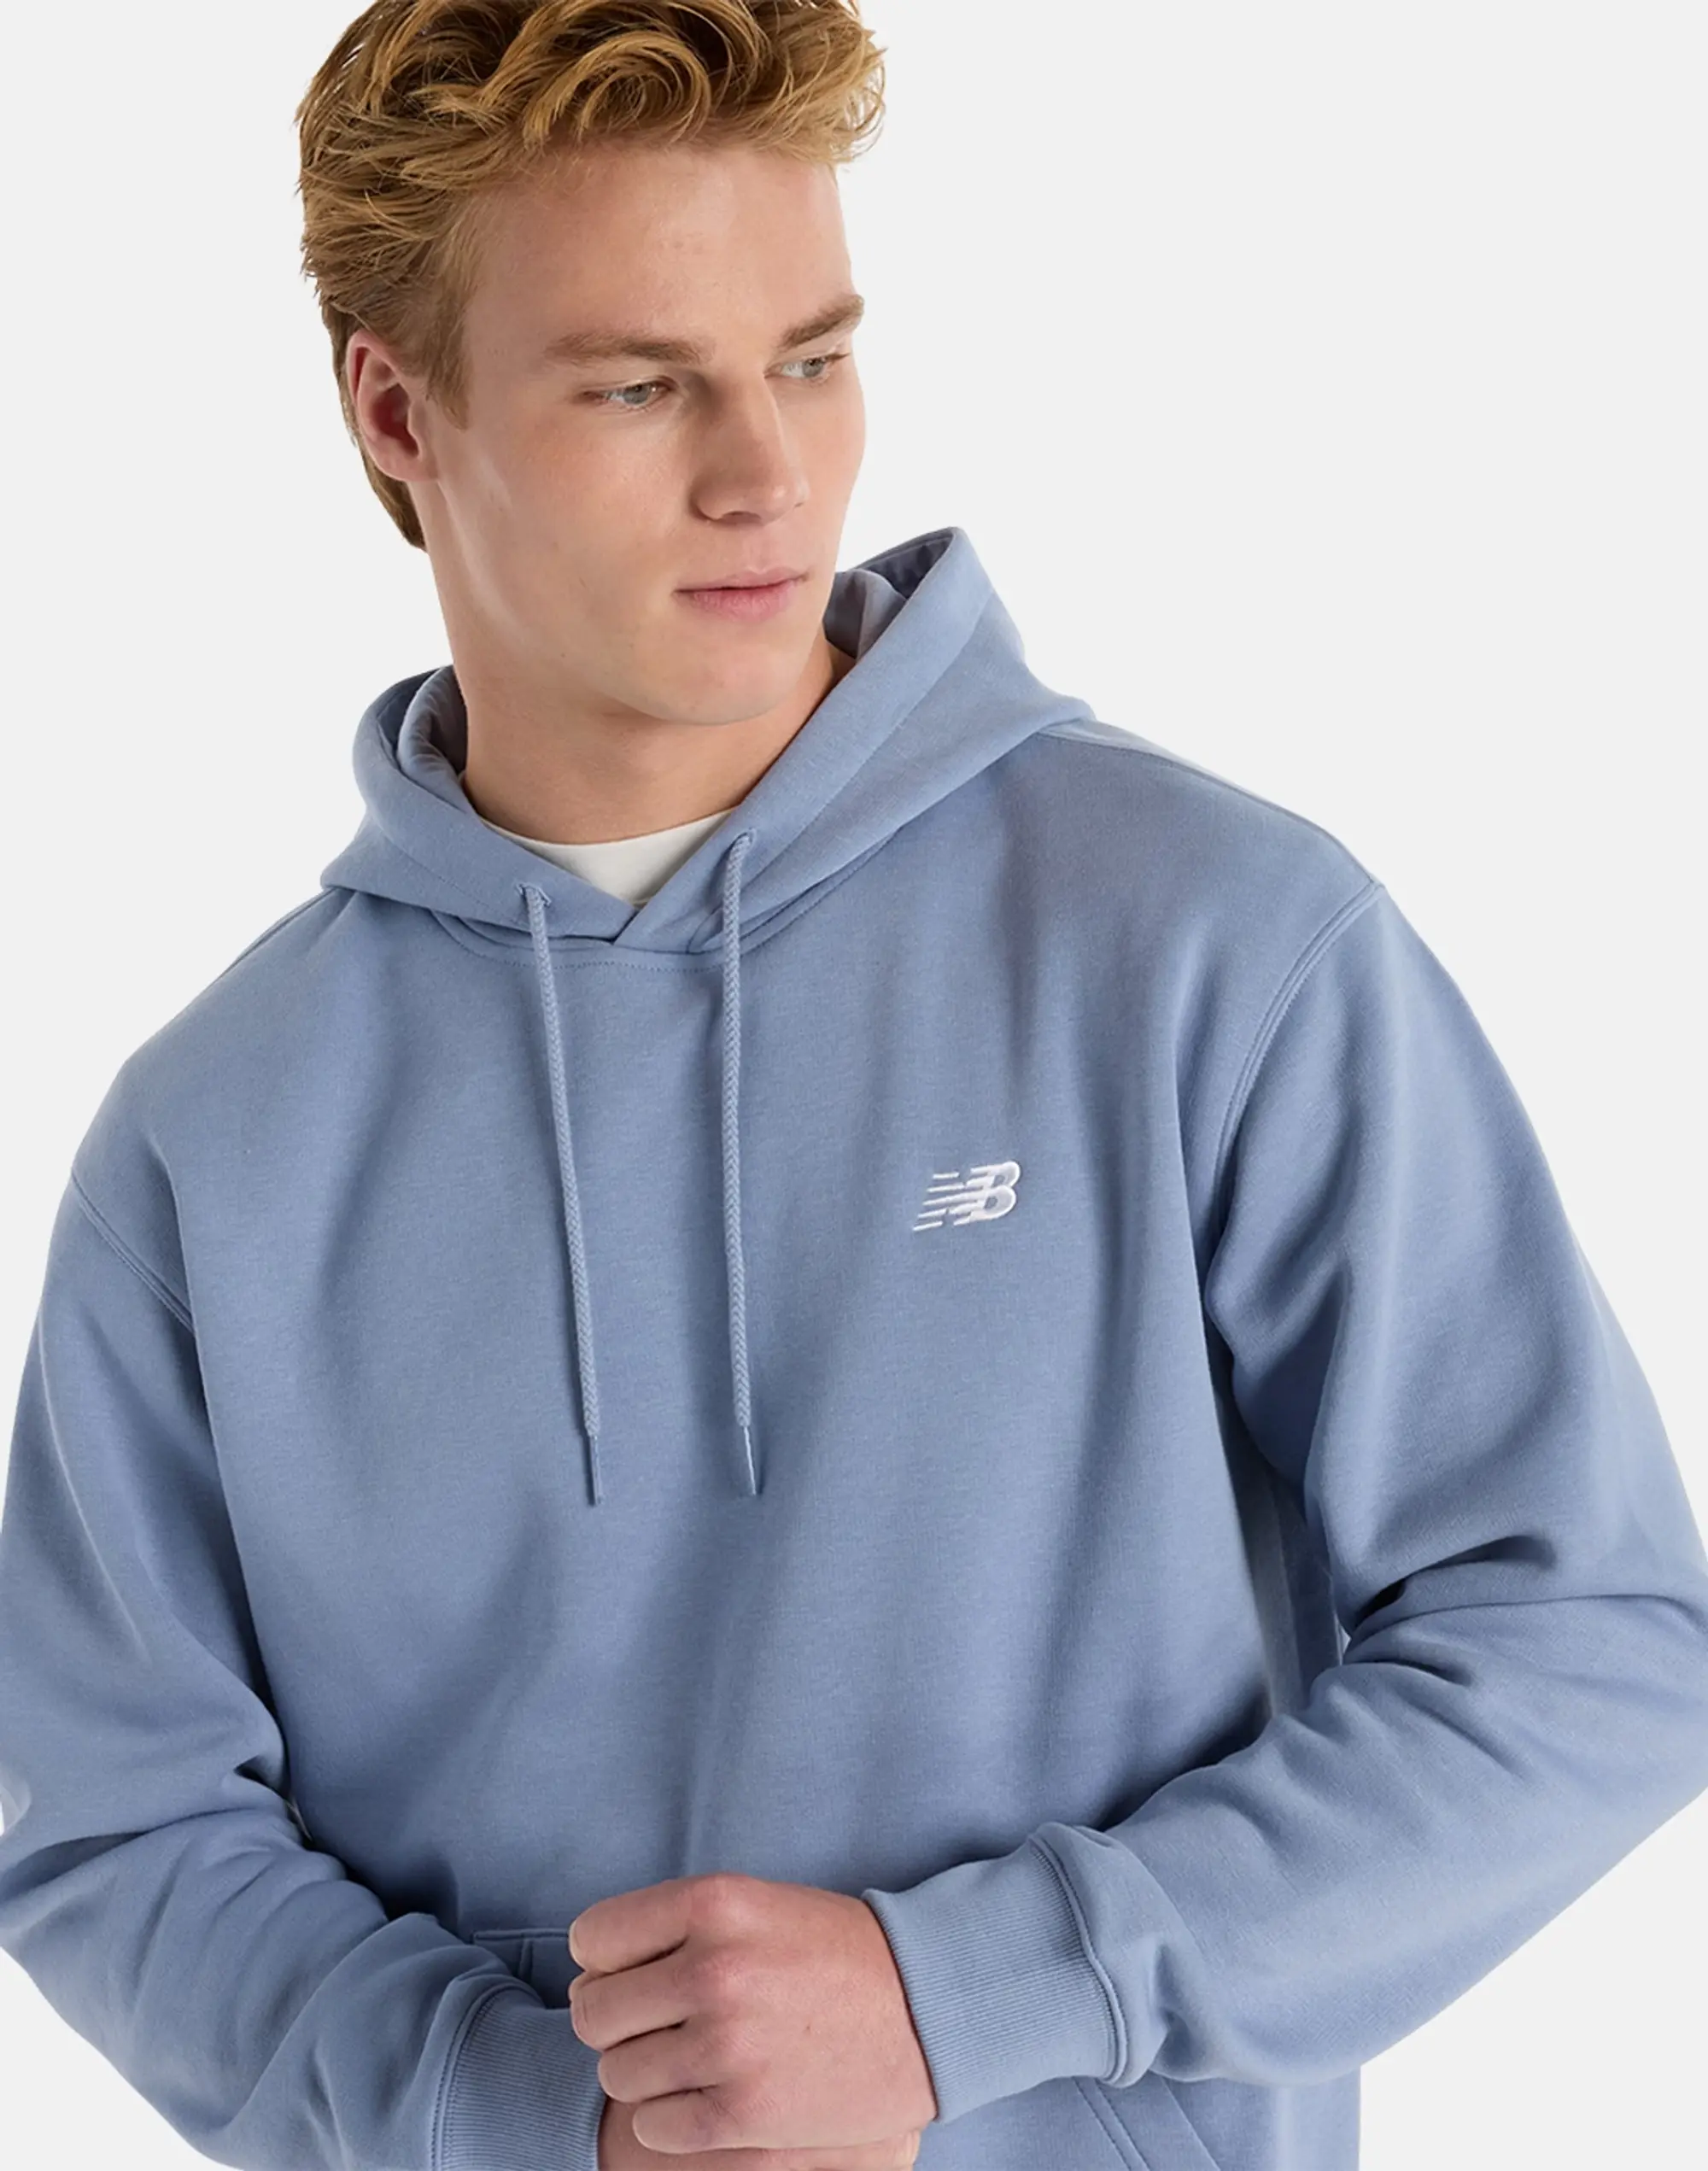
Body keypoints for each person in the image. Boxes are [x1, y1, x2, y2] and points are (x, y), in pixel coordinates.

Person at [3, 3, 1706, 2168]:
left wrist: (973, 1988)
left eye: (810, 358)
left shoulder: (1206, 943)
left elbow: (1589, 1635)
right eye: (642, 385)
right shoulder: (215, 1134)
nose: (768, 475)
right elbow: (112, 1821)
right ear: (396, 407)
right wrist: (536, 2111)